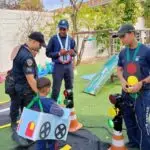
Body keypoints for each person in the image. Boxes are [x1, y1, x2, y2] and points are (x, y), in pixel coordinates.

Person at [116, 24, 150, 150]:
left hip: (143, 92)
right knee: (128, 119)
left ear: (131, 33)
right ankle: (134, 142)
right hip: (126, 92)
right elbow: (119, 69)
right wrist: (122, 80)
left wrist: (142, 83)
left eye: (123, 36)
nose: (121, 40)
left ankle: (145, 146)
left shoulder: (146, 51)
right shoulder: (123, 52)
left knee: (143, 122)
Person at [10, 32, 46, 130]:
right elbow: (30, 79)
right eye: (39, 45)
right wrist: (39, 93)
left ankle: (14, 123)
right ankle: (24, 130)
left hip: (16, 84)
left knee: (15, 104)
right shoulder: (27, 58)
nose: (39, 48)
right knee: (27, 109)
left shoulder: (20, 48)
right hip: (24, 88)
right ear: (34, 42)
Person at [46, 19, 76, 102]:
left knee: (69, 87)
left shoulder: (70, 39)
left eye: (64, 29)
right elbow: (48, 53)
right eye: (61, 29)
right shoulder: (54, 39)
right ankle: (53, 107)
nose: (62, 31)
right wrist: (59, 53)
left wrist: (73, 53)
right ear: (59, 29)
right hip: (58, 66)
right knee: (56, 88)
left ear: (67, 29)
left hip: (68, 66)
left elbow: (75, 52)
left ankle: (69, 106)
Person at [33, 77, 64, 150]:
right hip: (49, 127)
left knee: (40, 144)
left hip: (38, 127)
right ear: (47, 89)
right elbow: (60, 113)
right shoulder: (49, 103)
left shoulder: (34, 99)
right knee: (52, 143)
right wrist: (59, 106)